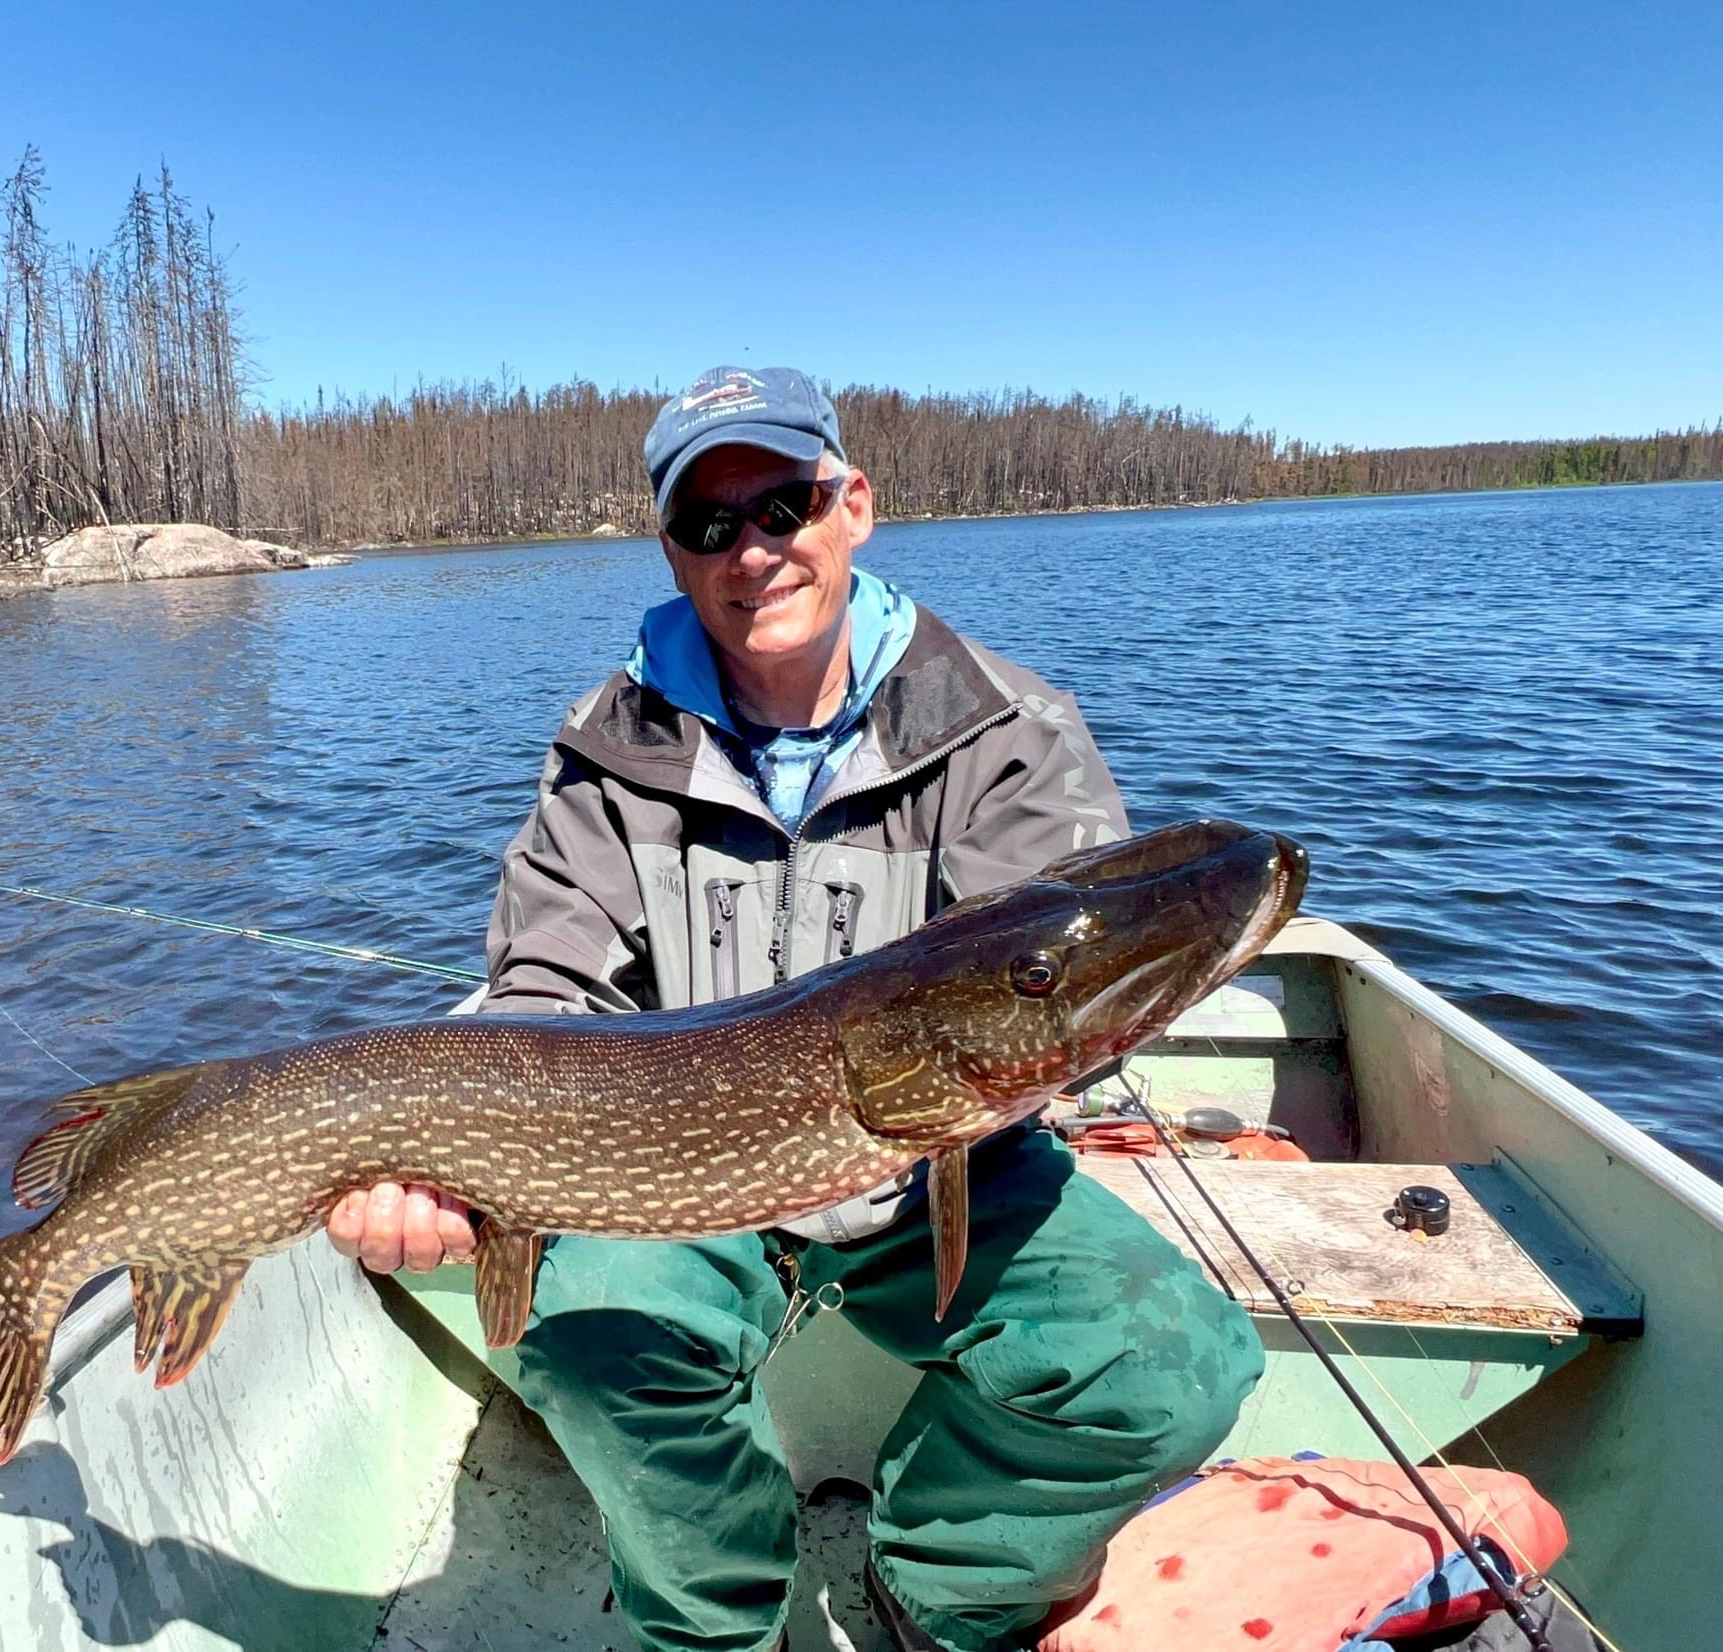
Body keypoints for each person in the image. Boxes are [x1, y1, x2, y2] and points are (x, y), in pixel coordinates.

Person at [328, 367, 1263, 1652]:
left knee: (1171, 1368)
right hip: (664, 1175)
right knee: (596, 1356)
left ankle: (939, 1580)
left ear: (853, 504)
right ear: (671, 548)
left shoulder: (1003, 728)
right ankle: (717, 1626)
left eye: (785, 502)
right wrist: (447, 1173)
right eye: (711, 524)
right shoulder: (609, 750)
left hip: (949, 1158)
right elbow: (543, 993)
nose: (753, 548)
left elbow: (1039, 979)